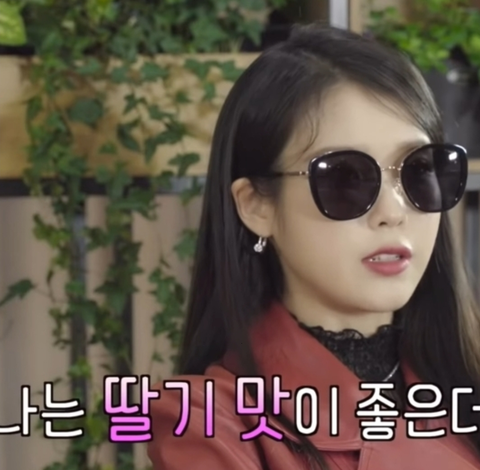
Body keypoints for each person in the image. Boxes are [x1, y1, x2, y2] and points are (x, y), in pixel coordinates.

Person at [147, 24, 480, 469]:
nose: (393, 210)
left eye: (418, 170)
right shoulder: (209, 424)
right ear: (257, 205)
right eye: (346, 178)